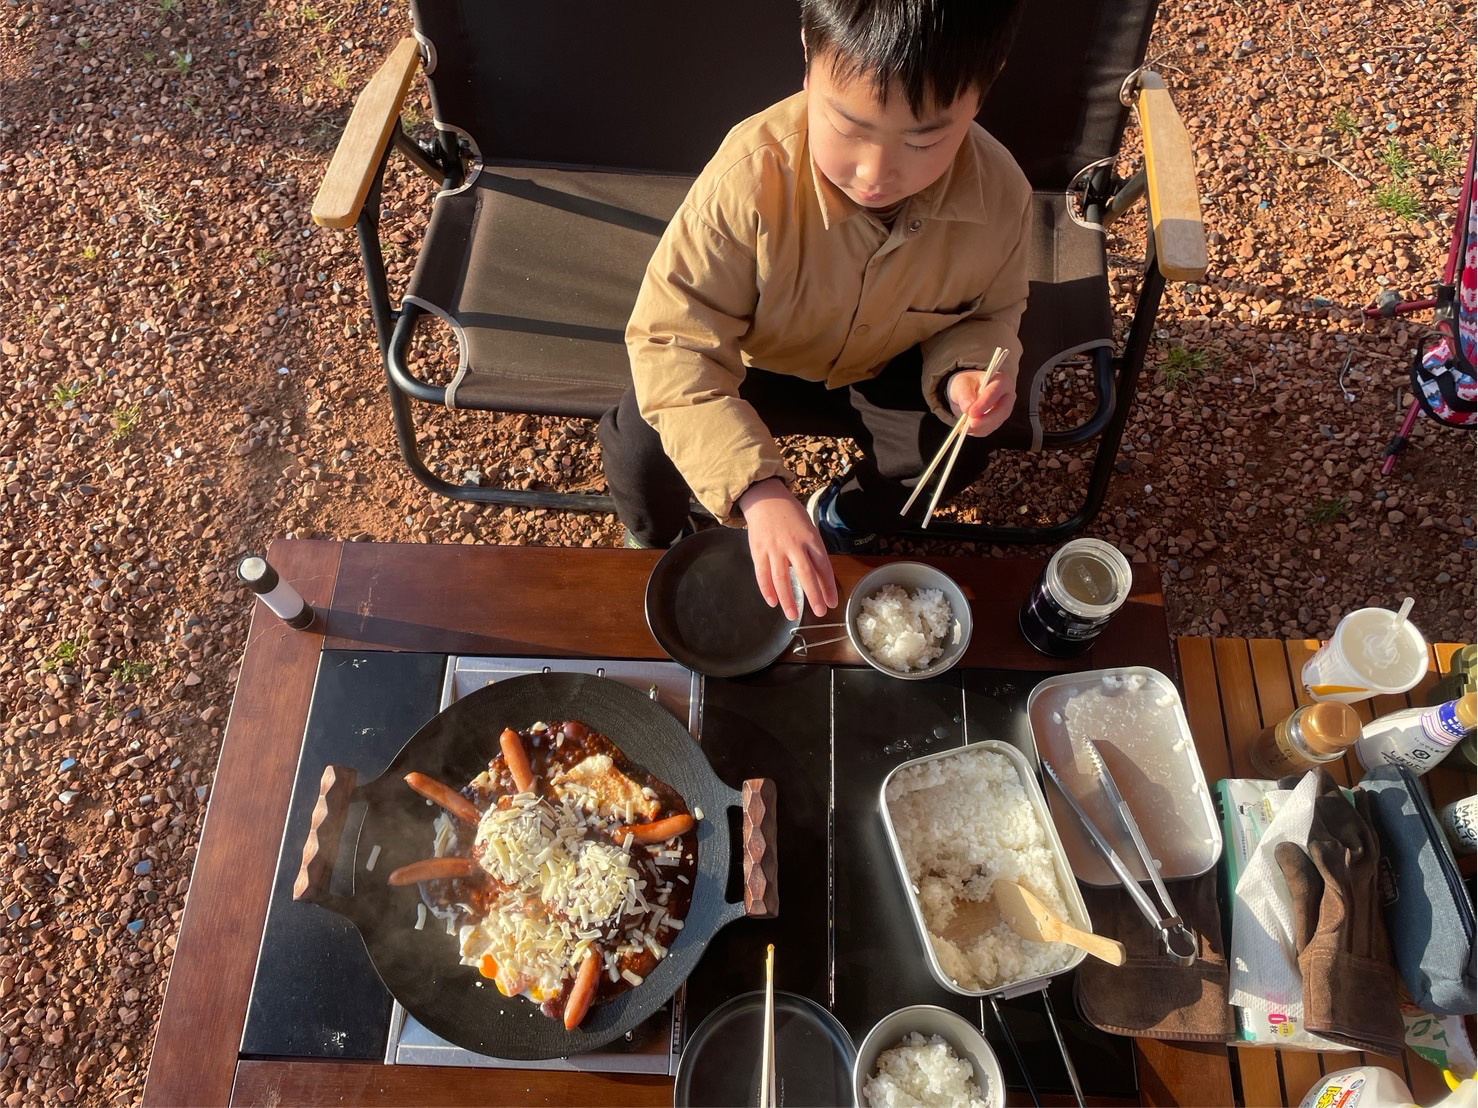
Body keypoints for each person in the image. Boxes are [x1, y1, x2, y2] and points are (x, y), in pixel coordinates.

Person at [598, 0, 1030, 620]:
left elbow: (992, 312)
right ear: (808, 54)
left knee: (960, 449)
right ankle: (657, 538)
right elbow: (674, 339)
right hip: (758, 358)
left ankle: (844, 514)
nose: (876, 174)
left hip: (889, 359)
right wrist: (758, 488)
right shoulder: (748, 178)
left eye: (924, 139)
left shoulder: (1002, 194)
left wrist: (965, 372)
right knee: (638, 443)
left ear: (983, 92)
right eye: (849, 128)